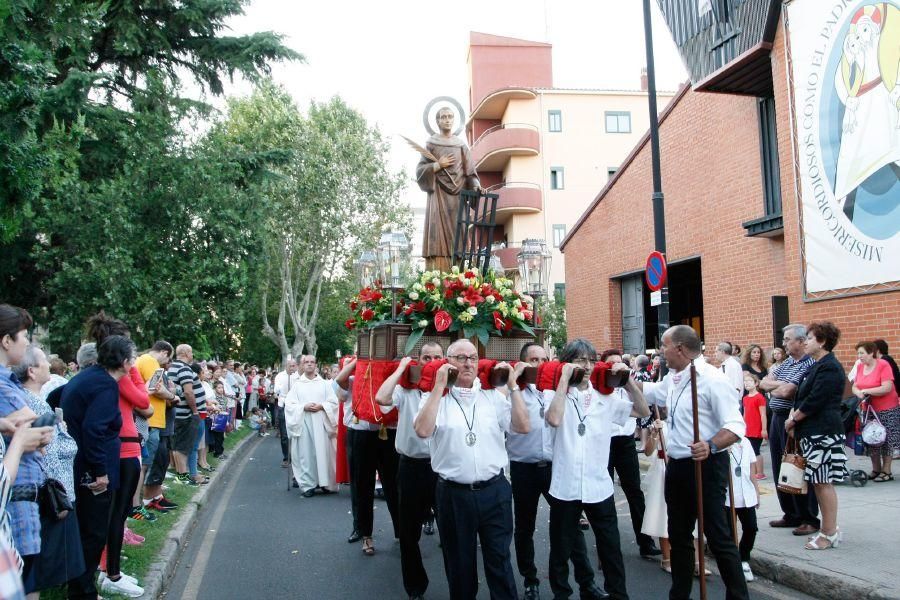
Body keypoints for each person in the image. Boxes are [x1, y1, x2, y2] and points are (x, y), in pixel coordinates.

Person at [639, 325, 749, 600]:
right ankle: (680, 594)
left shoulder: (712, 379)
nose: (661, 353)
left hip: (705, 465)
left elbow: (736, 426)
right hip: (676, 466)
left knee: (717, 534)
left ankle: (738, 596)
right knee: (678, 534)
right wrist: (621, 380)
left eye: (664, 346)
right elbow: (650, 393)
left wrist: (711, 444)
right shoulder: (674, 378)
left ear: (679, 348)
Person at [414, 339, 528, 600]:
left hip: (494, 492)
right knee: (460, 567)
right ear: (448, 362)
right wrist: (439, 387)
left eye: (473, 358)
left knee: (499, 562)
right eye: (460, 357)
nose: (467, 363)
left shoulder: (492, 396)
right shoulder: (435, 397)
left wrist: (512, 386)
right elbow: (422, 430)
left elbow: (522, 426)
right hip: (454, 495)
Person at [544, 340, 651, 600]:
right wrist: (564, 379)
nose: (587, 366)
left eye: (591, 360)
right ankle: (562, 594)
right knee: (561, 549)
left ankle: (618, 594)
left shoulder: (606, 396)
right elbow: (554, 419)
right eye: (580, 360)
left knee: (610, 547)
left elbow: (642, 410)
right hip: (565, 485)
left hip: (598, 484)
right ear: (567, 362)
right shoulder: (554, 394)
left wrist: (626, 382)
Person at [503, 342, 604, 600]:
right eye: (533, 360)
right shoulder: (513, 390)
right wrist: (512, 383)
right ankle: (530, 579)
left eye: (543, 359)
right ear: (523, 362)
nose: (539, 365)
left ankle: (587, 581)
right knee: (524, 527)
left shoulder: (558, 388)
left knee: (569, 528)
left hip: (554, 467)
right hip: (524, 468)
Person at [62, 335, 133, 599]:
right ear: (125, 362)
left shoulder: (90, 377)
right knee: (93, 533)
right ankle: (82, 592)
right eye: (132, 358)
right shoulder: (105, 385)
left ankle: (79, 586)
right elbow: (94, 430)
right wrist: (100, 472)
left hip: (81, 465)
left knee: (87, 532)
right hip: (91, 472)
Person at [11, 345, 85, 595]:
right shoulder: (30, 404)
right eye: (44, 362)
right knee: (36, 574)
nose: (49, 366)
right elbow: (50, 452)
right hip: (47, 494)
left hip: (47, 492)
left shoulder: (34, 401)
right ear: (32, 371)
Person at [375, 342, 443, 599]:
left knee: (451, 531)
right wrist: (402, 368)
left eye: (437, 357)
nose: (432, 361)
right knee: (408, 534)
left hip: (441, 469)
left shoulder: (448, 389)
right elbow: (381, 398)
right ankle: (415, 586)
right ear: (419, 360)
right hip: (411, 467)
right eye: (427, 357)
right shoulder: (405, 389)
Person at [785, 322, 847, 550]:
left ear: (821, 342)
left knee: (823, 482)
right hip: (814, 432)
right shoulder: (817, 365)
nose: (806, 342)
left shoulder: (829, 367)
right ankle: (829, 530)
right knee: (819, 481)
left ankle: (829, 533)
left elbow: (815, 400)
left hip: (824, 432)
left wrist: (794, 419)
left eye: (810, 338)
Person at [0, 306, 48, 592]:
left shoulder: (9, 382)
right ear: (6, 341)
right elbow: (33, 430)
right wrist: (22, 438)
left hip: (20, 490)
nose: (28, 343)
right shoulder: (3, 385)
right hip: (14, 493)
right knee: (23, 578)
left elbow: (35, 430)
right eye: (23, 337)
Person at [759, 324, 819, 536]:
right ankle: (790, 513)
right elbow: (763, 383)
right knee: (779, 467)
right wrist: (776, 385)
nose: (783, 344)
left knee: (797, 467)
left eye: (787, 339)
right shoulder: (786, 364)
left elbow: (787, 391)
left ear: (801, 341)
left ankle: (808, 516)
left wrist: (776, 385)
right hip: (777, 419)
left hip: (793, 421)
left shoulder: (808, 363)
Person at [601, 349, 661, 561]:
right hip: (604, 443)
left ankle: (645, 542)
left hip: (625, 442)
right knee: (605, 494)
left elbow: (643, 409)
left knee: (634, 492)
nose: (616, 366)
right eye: (612, 363)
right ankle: (607, 543)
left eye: (620, 362)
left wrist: (629, 382)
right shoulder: (601, 388)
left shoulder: (629, 386)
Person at [416, 106, 481, 272]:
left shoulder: (461, 146)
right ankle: (436, 274)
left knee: (458, 238)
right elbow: (420, 171)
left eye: (450, 116)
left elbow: (470, 174)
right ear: (437, 121)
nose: (447, 119)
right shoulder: (431, 144)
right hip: (437, 197)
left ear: (454, 120)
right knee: (436, 236)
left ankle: (456, 275)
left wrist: (476, 186)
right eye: (443, 116)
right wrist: (438, 165)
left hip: (458, 200)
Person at [284, 355, 338, 497]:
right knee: (306, 454)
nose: (309, 364)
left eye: (312, 362)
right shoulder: (297, 385)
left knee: (324, 453)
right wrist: (303, 407)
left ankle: (325, 483)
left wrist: (322, 406)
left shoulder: (325, 384)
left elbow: (333, 403)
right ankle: (308, 485)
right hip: (304, 422)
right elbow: (290, 405)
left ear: (316, 365)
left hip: (321, 423)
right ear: (302, 365)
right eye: (306, 362)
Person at [136, 342, 179, 514]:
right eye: (168, 357)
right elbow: (156, 388)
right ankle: (139, 505)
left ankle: (151, 499)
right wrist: (173, 396)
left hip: (155, 421)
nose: (166, 362)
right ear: (164, 352)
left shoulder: (147, 361)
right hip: (151, 421)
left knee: (157, 461)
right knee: (147, 465)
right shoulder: (149, 361)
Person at [852, 341, 899, 481]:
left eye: (862, 353)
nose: (859, 356)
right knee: (871, 438)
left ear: (871, 353)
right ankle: (876, 469)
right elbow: (855, 385)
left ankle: (887, 471)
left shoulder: (883, 365)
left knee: (886, 438)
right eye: (858, 353)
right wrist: (858, 393)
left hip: (887, 407)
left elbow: (887, 387)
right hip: (868, 409)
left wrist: (867, 391)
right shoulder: (860, 367)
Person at [167, 345, 205, 487]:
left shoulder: (174, 367)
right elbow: (188, 392)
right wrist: (195, 411)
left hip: (180, 413)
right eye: (191, 352)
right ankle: (182, 477)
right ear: (185, 353)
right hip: (185, 414)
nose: (192, 354)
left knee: (179, 447)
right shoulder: (183, 368)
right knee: (182, 448)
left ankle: (183, 476)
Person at [724, 436, 760, 581]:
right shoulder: (723, 444)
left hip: (746, 494)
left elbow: (752, 470)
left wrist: (756, 492)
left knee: (751, 528)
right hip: (728, 496)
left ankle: (744, 558)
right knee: (730, 533)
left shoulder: (746, 442)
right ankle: (733, 565)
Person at [742, 374, 768, 480]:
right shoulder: (745, 398)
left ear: (756, 383)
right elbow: (745, 414)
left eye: (749, 381)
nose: (746, 383)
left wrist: (764, 429)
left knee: (756, 450)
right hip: (748, 428)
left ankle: (760, 472)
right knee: (749, 450)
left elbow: (763, 414)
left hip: (757, 428)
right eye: (745, 381)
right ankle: (754, 471)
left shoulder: (759, 397)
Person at [273, 359, 297, 468]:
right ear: (286, 366)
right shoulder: (280, 376)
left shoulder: (297, 376)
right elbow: (276, 390)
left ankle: (296, 457)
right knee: (284, 434)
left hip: (295, 406)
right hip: (283, 405)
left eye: (294, 366)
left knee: (296, 432)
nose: (292, 368)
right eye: (290, 366)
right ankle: (286, 457)